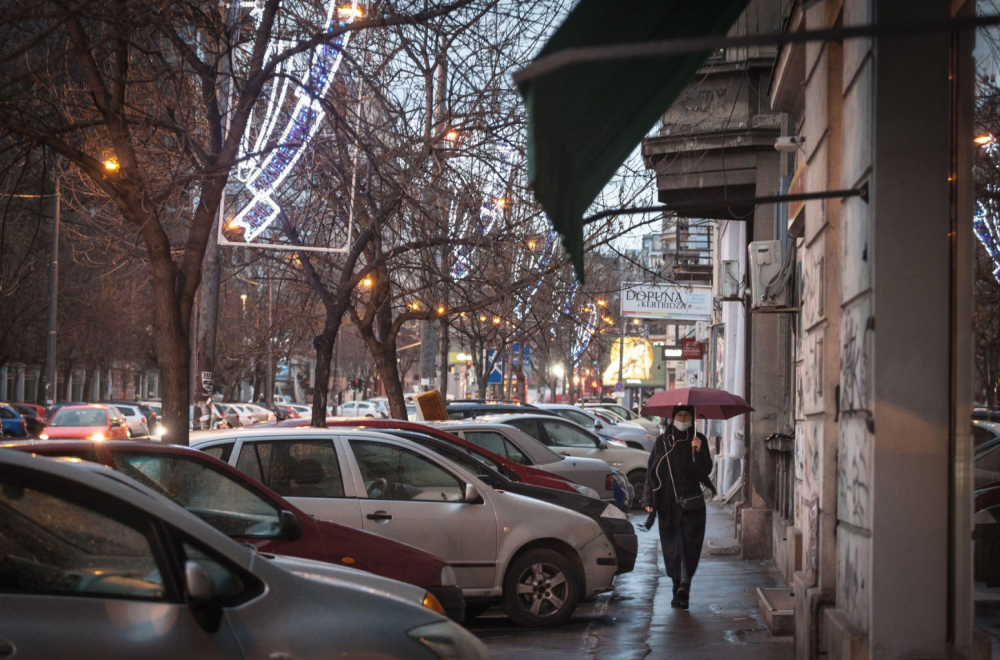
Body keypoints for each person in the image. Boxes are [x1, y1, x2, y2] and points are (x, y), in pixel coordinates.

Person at [642, 405, 714, 609]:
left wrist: (699, 451)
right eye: (679, 415)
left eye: (687, 415)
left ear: (692, 418)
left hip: (692, 505)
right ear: (673, 418)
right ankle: (677, 588)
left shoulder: (699, 439)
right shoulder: (663, 441)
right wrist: (648, 500)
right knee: (673, 548)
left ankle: (684, 587)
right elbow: (652, 471)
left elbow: (706, 470)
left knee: (689, 547)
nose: (683, 419)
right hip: (668, 504)